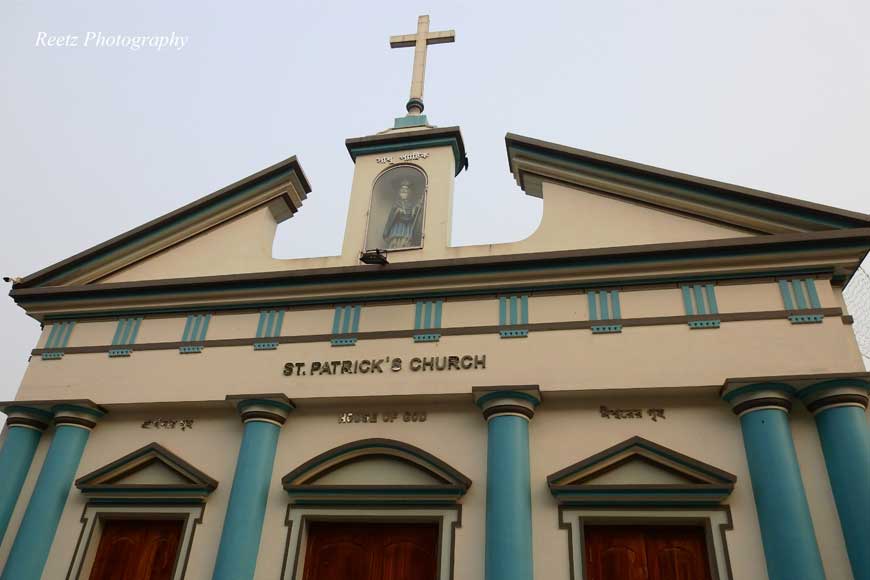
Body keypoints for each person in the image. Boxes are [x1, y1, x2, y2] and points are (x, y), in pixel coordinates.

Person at [382, 180, 422, 249]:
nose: (404, 193)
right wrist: (398, 211)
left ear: (409, 193)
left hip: (407, 228)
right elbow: (391, 217)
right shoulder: (396, 204)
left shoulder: (411, 205)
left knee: (405, 241)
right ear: (399, 193)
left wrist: (417, 207)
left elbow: (413, 216)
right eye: (402, 192)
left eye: (406, 192)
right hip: (397, 227)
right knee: (395, 242)